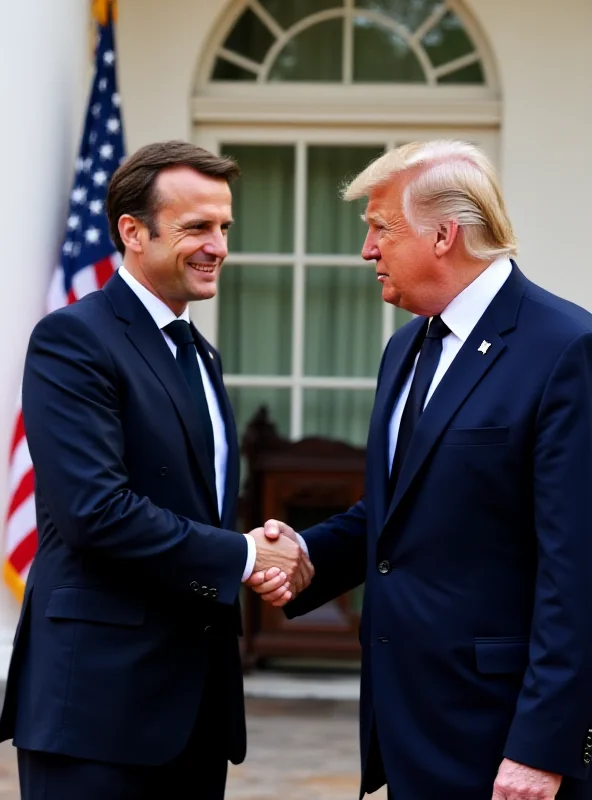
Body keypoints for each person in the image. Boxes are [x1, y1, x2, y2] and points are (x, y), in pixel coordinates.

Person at [251, 140, 592, 800]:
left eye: (380, 228)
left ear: (444, 235)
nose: (366, 251)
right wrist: (301, 555)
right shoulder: (407, 347)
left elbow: (576, 571)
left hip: (503, 743)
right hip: (410, 729)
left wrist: (541, 748)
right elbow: (398, 512)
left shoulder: (566, 349)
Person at [0, 140, 312, 800]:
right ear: (133, 233)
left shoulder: (202, 355)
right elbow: (94, 512)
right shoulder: (73, 340)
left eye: (225, 226)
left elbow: (192, 505)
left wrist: (258, 549)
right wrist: (241, 554)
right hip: (97, 712)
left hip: (195, 711)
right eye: (197, 226)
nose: (219, 245)